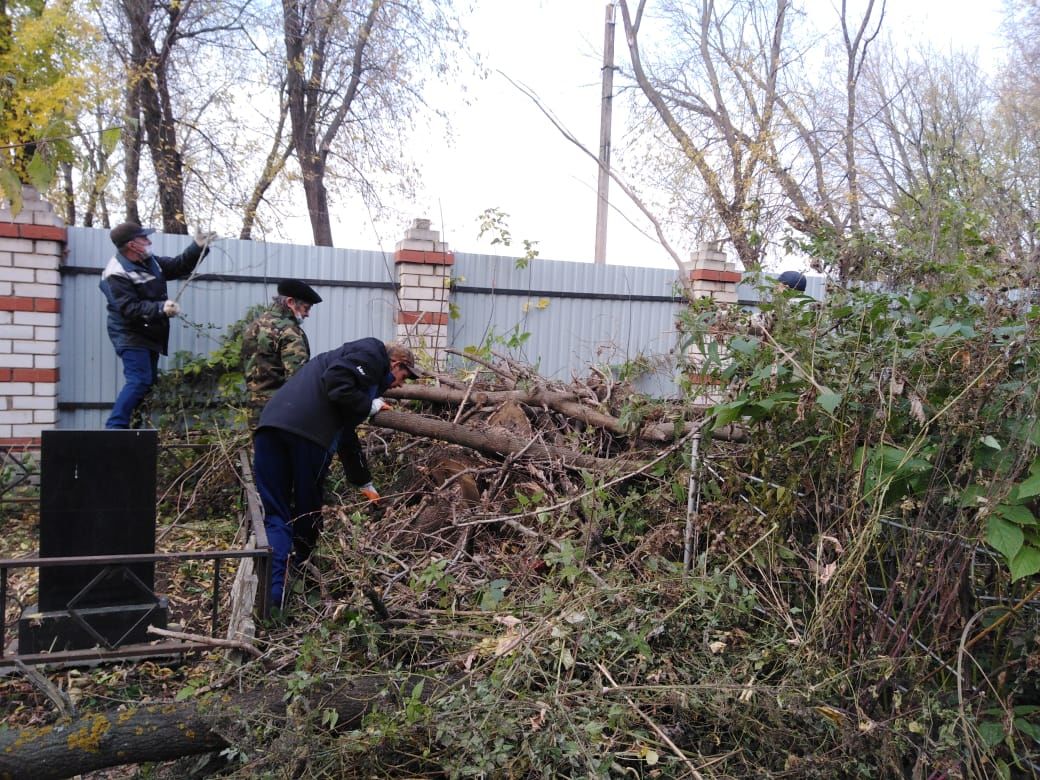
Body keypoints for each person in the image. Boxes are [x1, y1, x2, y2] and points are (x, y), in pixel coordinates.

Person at [252, 338, 420, 608]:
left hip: (269, 428)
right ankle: (297, 574)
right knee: (308, 513)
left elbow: (346, 437)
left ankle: (272, 597)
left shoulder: (344, 370)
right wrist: (370, 406)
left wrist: (365, 484)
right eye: (404, 375)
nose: (401, 384)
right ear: (395, 363)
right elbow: (338, 382)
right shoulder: (372, 351)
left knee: (276, 514)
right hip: (307, 437)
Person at [99, 221, 217, 429]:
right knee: (139, 380)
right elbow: (129, 309)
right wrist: (160, 308)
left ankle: (133, 427)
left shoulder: (149, 261)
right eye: (144, 238)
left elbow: (177, 267)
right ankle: (115, 428)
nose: (149, 241)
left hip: (149, 334)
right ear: (132, 245)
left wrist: (197, 247)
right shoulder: (116, 273)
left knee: (147, 382)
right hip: (130, 334)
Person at [241, 279, 323, 426]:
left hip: (254, 407)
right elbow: (298, 379)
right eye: (306, 307)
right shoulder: (289, 331)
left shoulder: (255, 325)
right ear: (291, 302)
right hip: (280, 409)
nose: (308, 314)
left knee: (260, 448)